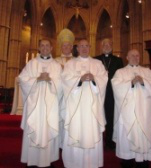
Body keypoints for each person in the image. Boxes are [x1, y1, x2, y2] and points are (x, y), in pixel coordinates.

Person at [61, 39, 108, 168]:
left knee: (91, 131)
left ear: (90, 47)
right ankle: (74, 163)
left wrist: (94, 79)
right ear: (77, 49)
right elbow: (65, 80)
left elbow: (104, 78)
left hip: (92, 107)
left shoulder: (98, 64)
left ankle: (91, 163)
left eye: (86, 46)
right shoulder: (70, 64)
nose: (84, 48)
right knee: (76, 130)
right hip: (76, 107)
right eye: (81, 46)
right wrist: (79, 80)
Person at [111, 49, 151, 168]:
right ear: (127, 57)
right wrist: (131, 83)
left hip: (144, 113)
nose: (135, 57)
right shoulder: (120, 72)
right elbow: (116, 86)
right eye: (132, 55)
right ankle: (127, 162)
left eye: (137, 55)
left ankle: (143, 162)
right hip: (127, 114)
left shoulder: (147, 71)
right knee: (127, 140)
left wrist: (144, 82)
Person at [19, 39, 63, 167]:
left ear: (51, 48)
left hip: (51, 106)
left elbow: (61, 84)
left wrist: (50, 80)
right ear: (39, 47)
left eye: (47, 45)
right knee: (35, 129)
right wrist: (37, 79)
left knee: (48, 128)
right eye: (42, 45)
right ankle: (32, 161)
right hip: (34, 106)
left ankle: (47, 160)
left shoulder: (56, 66)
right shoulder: (31, 64)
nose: (45, 48)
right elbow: (22, 79)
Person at [95, 38, 123, 149]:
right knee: (97, 116)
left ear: (112, 46)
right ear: (101, 46)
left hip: (112, 93)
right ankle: (97, 141)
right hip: (97, 94)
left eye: (109, 44)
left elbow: (121, 76)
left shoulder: (118, 60)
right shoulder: (95, 60)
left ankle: (110, 141)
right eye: (104, 44)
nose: (107, 46)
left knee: (111, 117)